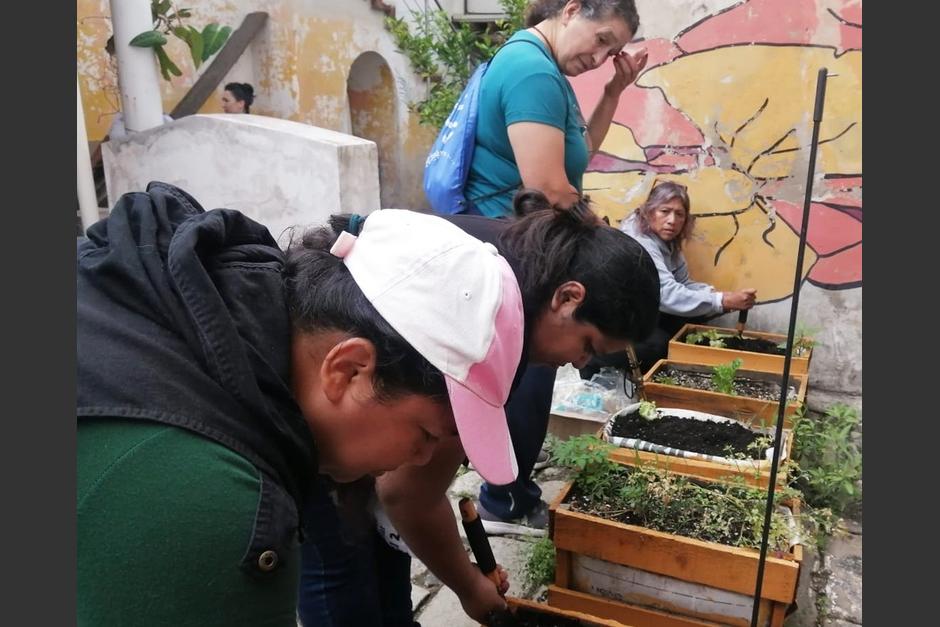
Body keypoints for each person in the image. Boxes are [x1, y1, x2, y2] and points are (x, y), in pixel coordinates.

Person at [77, 181, 528, 626]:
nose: (423, 459)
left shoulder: (215, 321)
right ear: (349, 369)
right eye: (426, 435)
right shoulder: (215, 506)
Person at [297, 189, 661, 626]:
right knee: (338, 566)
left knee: (380, 556)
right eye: (588, 346)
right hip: (324, 434)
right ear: (568, 298)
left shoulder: (524, 272)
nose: (582, 362)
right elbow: (406, 495)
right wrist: (468, 585)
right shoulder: (482, 328)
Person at [456, 0, 648, 543]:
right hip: (516, 252)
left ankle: (511, 492)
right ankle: (502, 499)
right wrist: (600, 234)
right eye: (601, 37)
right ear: (571, 10)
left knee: (531, 380)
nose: (600, 54)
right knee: (524, 380)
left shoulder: (549, 74)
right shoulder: (531, 69)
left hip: (529, 249)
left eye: (612, 49)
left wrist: (613, 91)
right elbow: (549, 187)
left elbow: (578, 153)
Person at [583, 180, 758, 378]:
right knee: (658, 344)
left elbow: (682, 283)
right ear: (649, 212)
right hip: (612, 321)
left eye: (679, 214)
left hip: (638, 312)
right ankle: (593, 360)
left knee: (691, 319)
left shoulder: (667, 242)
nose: (672, 220)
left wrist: (719, 297)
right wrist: (721, 300)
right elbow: (666, 294)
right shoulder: (641, 241)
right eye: (664, 211)